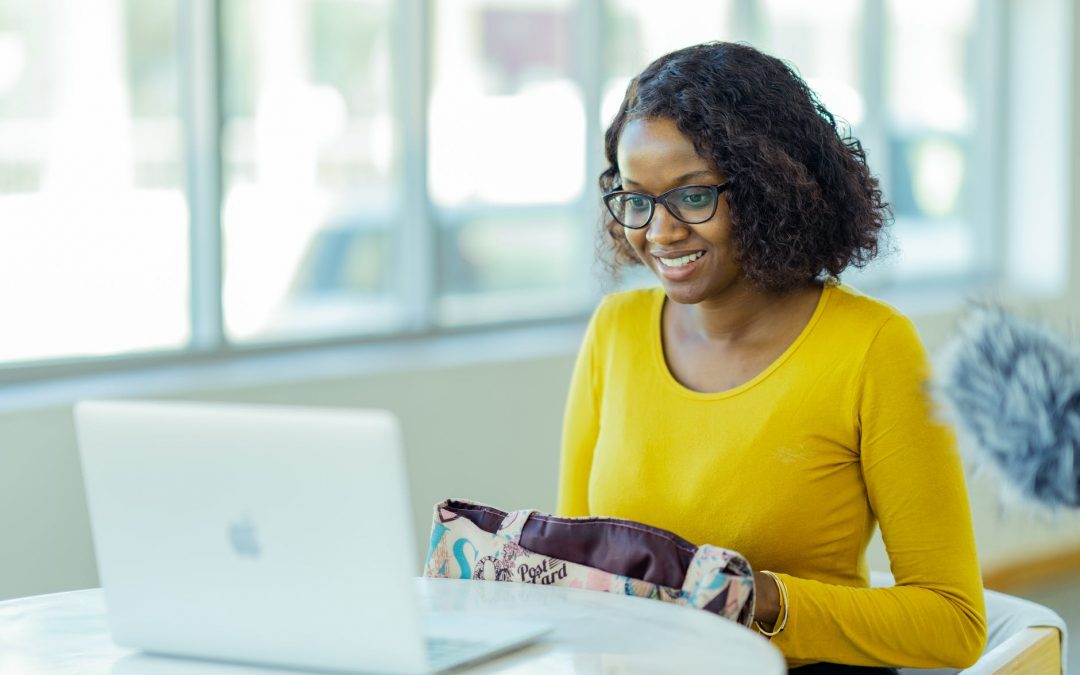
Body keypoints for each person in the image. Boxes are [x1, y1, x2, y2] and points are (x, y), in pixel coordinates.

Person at [557, 42, 987, 672]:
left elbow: (954, 622)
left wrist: (759, 600)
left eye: (693, 196)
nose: (660, 231)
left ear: (767, 188)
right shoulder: (615, 331)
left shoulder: (872, 347)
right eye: (636, 199)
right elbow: (581, 564)